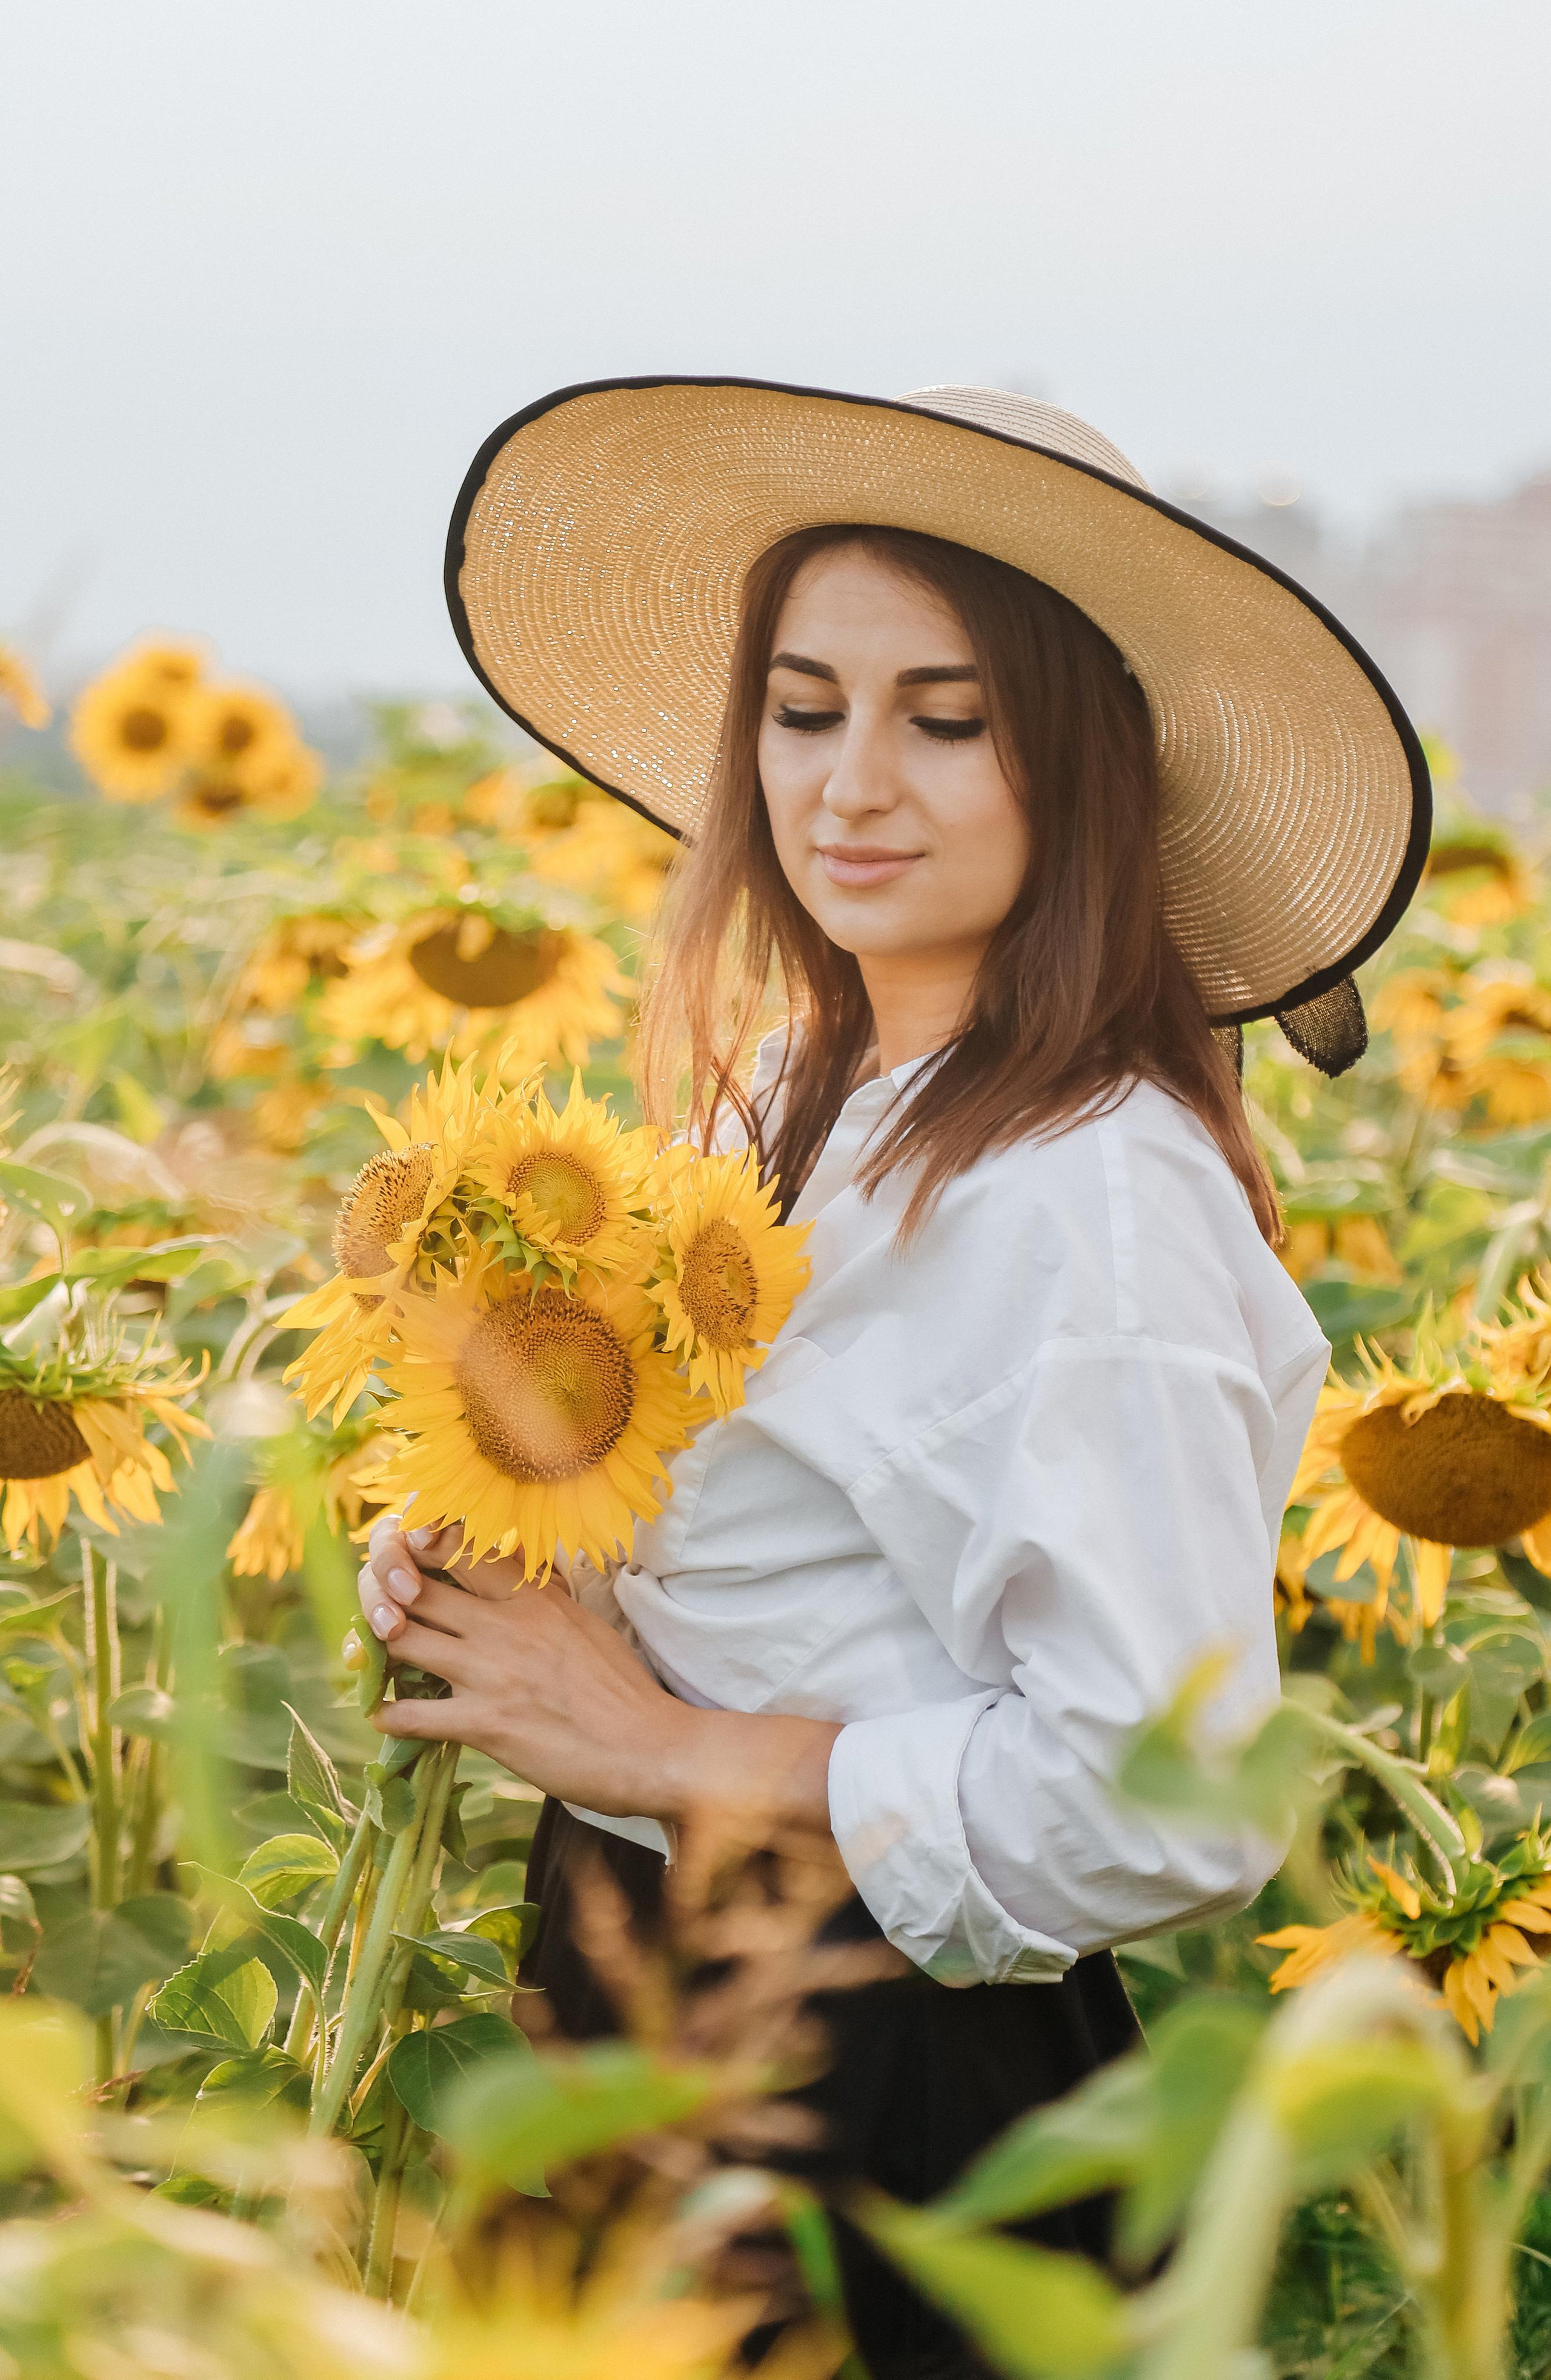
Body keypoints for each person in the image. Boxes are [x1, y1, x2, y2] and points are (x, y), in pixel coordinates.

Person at [357, 381, 1430, 2375]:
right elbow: (797, 1570)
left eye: (947, 720)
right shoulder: (800, 1085)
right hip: (644, 1976)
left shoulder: (1088, 1192)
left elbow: (1155, 1802)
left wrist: (655, 1748)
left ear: (1082, 766)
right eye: (804, 703)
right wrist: (524, 1538)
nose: (852, 781)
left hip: (882, 2073)